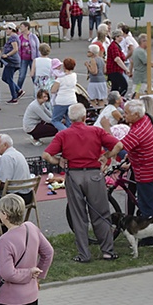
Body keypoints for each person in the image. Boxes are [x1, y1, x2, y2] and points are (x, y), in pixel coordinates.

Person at [44, 103, 120, 262]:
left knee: (78, 216)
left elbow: (46, 155)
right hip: (94, 175)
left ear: (69, 118)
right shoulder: (96, 131)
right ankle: (107, 250)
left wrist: (58, 161)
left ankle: (84, 254)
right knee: (101, 213)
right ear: (85, 117)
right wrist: (106, 156)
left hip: (74, 176)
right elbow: (118, 145)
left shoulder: (63, 135)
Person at [103, 99, 153, 216]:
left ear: (136, 115)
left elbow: (119, 146)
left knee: (147, 206)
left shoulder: (137, 131)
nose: (124, 115)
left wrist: (106, 156)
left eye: (126, 113)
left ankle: (150, 232)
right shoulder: (146, 119)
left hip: (145, 172)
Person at [50, 57, 78, 131]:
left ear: (64, 66)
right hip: (72, 99)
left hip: (61, 101)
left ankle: (66, 132)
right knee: (69, 120)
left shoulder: (60, 78)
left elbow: (53, 90)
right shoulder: (74, 75)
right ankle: (71, 134)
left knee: (55, 120)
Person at [0, 24, 22, 103]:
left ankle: (14, 96)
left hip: (12, 61)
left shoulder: (13, 37)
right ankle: (18, 90)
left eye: (7, 29)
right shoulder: (14, 37)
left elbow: (15, 49)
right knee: (5, 78)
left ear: (11, 29)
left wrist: (7, 55)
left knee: (9, 78)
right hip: (11, 61)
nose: (6, 31)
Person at [16, 22, 40, 92]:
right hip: (23, 59)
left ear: (26, 27)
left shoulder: (33, 36)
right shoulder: (19, 37)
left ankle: (38, 90)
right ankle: (18, 90)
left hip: (32, 59)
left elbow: (37, 47)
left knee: (34, 76)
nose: (21, 28)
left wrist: (38, 58)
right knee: (21, 76)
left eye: (22, 26)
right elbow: (17, 48)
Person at [106, 30, 130, 96]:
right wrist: (126, 69)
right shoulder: (113, 46)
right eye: (120, 36)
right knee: (124, 86)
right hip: (114, 70)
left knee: (115, 88)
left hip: (117, 70)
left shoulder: (117, 46)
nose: (122, 38)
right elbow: (117, 59)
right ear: (116, 37)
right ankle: (118, 98)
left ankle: (113, 99)